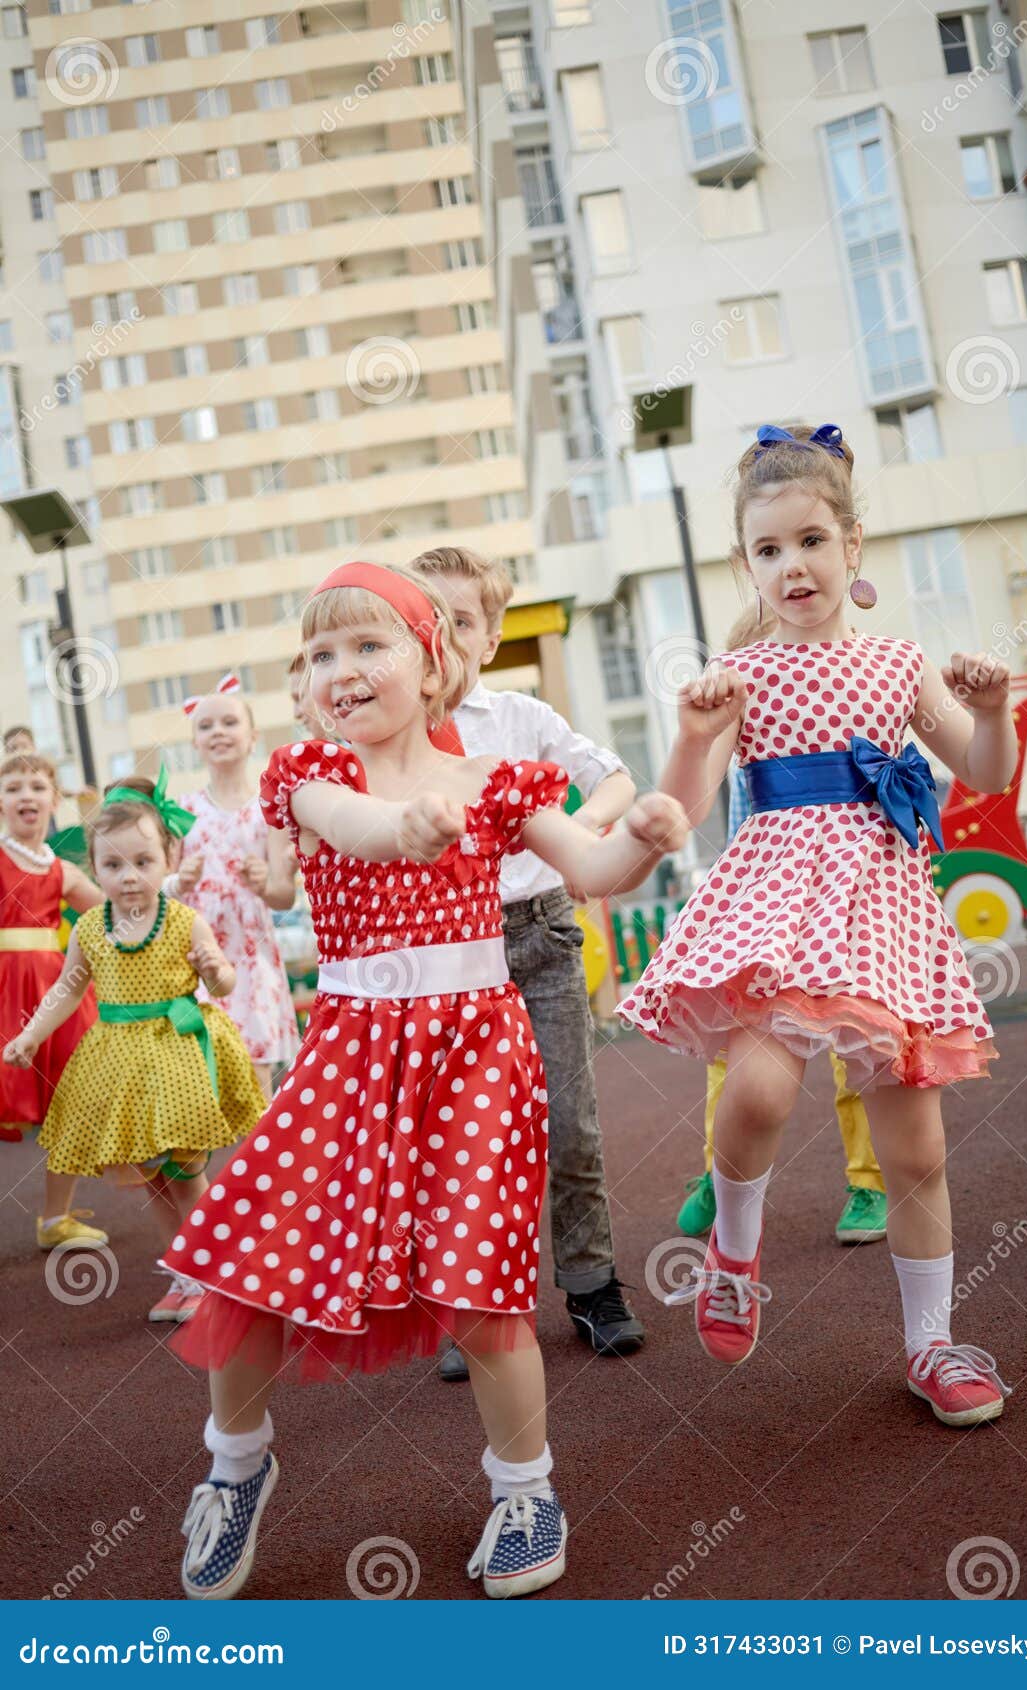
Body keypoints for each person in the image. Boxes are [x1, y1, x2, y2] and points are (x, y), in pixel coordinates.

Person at [159, 561, 687, 1601]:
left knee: (482, 1282)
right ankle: (235, 1466)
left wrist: (648, 834)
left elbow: (590, 866)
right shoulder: (311, 775)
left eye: (366, 645)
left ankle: (525, 1490)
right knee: (247, 1261)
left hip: (475, 1053)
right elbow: (354, 827)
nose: (338, 671)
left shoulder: (496, 779)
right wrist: (399, 830)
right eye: (317, 655)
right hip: (351, 1048)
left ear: (431, 660)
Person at [618, 422, 1018, 1430]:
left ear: (851, 546)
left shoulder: (895, 661)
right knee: (753, 1094)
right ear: (746, 565)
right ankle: (734, 1254)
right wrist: (691, 732)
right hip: (776, 905)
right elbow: (680, 805)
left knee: (914, 1146)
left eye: (808, 540)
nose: (790, 565)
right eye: (767, 549)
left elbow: (980, 772)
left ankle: (931, 1342)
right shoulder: (737, 675)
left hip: (884, 910)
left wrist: (997, 708)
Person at [411, 545, 646, 1379]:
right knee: (459, 1139)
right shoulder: (396, 735)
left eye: (460, 623)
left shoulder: (523, 720)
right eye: (423, 624)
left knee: (567, 1120)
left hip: (538, 936)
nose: (440, 641)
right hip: (445, 950)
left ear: (491, 634)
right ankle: (470, 1305)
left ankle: (590, 1282)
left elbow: (611, 776)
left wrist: (580, 830)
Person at [4, 773, 265, 1323]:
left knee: (186, 1173)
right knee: (152, 1176)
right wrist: (30, 1035)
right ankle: (182, 1272)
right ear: (94, 868)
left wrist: (215, 971)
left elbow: (223, 985)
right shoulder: (91, 929)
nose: (128, 878)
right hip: (123, 1068)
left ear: (168, 858)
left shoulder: (183, 921)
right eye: (114, 866)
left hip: (178, 1061)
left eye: (143, 863)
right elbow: (67, 988)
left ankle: (209, 1271)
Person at [678, 620, 887, 1249]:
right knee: (735, 1050)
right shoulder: (749, 707)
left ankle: (870, 1181)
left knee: (860, 1037)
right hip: (765, 898)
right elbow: (719, 810)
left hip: (845, 896)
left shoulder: (862, 683)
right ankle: (724, 1168)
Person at [167, 676, 300, 1102]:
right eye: (206, 726)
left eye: (229, 722)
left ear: (252, 737)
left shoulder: (269, 809)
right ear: (194, 743)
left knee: (255, 1077)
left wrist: (266, 883)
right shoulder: (182, 812)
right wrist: (178, 881)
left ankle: (257, 1159)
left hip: (251, 955)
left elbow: (285, 895)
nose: (218, 732)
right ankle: (209, 1166)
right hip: (198, 958)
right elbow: (160, 894)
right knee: (202, 1065)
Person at [0, 750, 105, 1248]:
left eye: (37, 787)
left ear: (54, 800)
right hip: (3, 992)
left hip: (55, 997)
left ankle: (54, 1219)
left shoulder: (61, 869)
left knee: (69, 1103)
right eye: (14, 787)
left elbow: (114, 913)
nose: (26, 796)